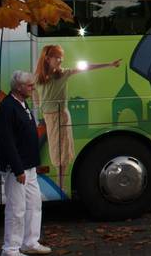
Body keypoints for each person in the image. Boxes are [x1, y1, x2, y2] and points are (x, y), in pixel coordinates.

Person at [33, 45, 121, 188]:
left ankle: (60, 185)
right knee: (56, 150)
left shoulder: (63, 73)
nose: (60, 60)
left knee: (62, 150)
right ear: (47, 59)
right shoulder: (38, 77)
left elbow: (86, 68)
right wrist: (38, 106)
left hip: (61, 116)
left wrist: (109, 64)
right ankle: (59, 184)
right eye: (57, 57)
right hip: (49, 117)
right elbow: (33, 91)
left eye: (61, 57)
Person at [0, 71, 51, 256]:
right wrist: (18, 169)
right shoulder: (7, 108)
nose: (32, 88)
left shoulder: (21, 103)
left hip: (29, 166)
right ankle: (10, 249)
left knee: (34, 204)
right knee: (16, 209)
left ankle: (30, 242)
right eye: (29, 85)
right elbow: (7, 141)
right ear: (18, 87)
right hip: (17, 168)